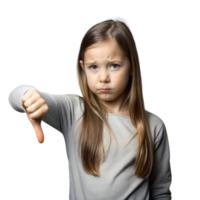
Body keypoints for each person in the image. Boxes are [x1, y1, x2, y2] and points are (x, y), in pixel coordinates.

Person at [7, 17, 172, 200]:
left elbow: (161, 192)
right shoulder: (73, 111)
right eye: (94, 67)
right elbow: (13, 95)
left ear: (132, 66)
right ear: (83, 67)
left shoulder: (154, 126)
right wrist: (28, 98)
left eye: (114, 65)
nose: (103, 77)